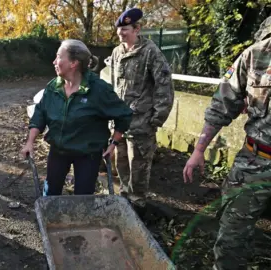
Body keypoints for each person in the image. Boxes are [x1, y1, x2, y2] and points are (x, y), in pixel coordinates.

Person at [183, 16, 271, 270]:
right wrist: (199, 150)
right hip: (255, 163)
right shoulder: (256, 56)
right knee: (231, 237)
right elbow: (222, 104)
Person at [20, 39, 133, 197]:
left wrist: (114, 143)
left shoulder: (98, 90)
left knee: (83, 197)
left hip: (88, 154)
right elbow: (40, 114)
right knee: (51, 193)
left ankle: (79, 222)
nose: (54, 61)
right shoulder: (54, 87)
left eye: (59, 57)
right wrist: (30, 142)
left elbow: (124, 114)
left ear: (73, 63)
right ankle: (51, 221)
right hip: (58, 151)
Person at [105, 8, 174, 203]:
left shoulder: (150, 52)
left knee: (139, 164)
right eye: (119, 29)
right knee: (121, 162)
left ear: (137, 29)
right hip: (120, 121)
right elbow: (113, 84)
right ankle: (125, 197)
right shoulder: (116, 52)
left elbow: (164, 85)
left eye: (125, 29)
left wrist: (158, 117)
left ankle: (138, 202)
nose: (120, 33)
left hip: (142, 121)